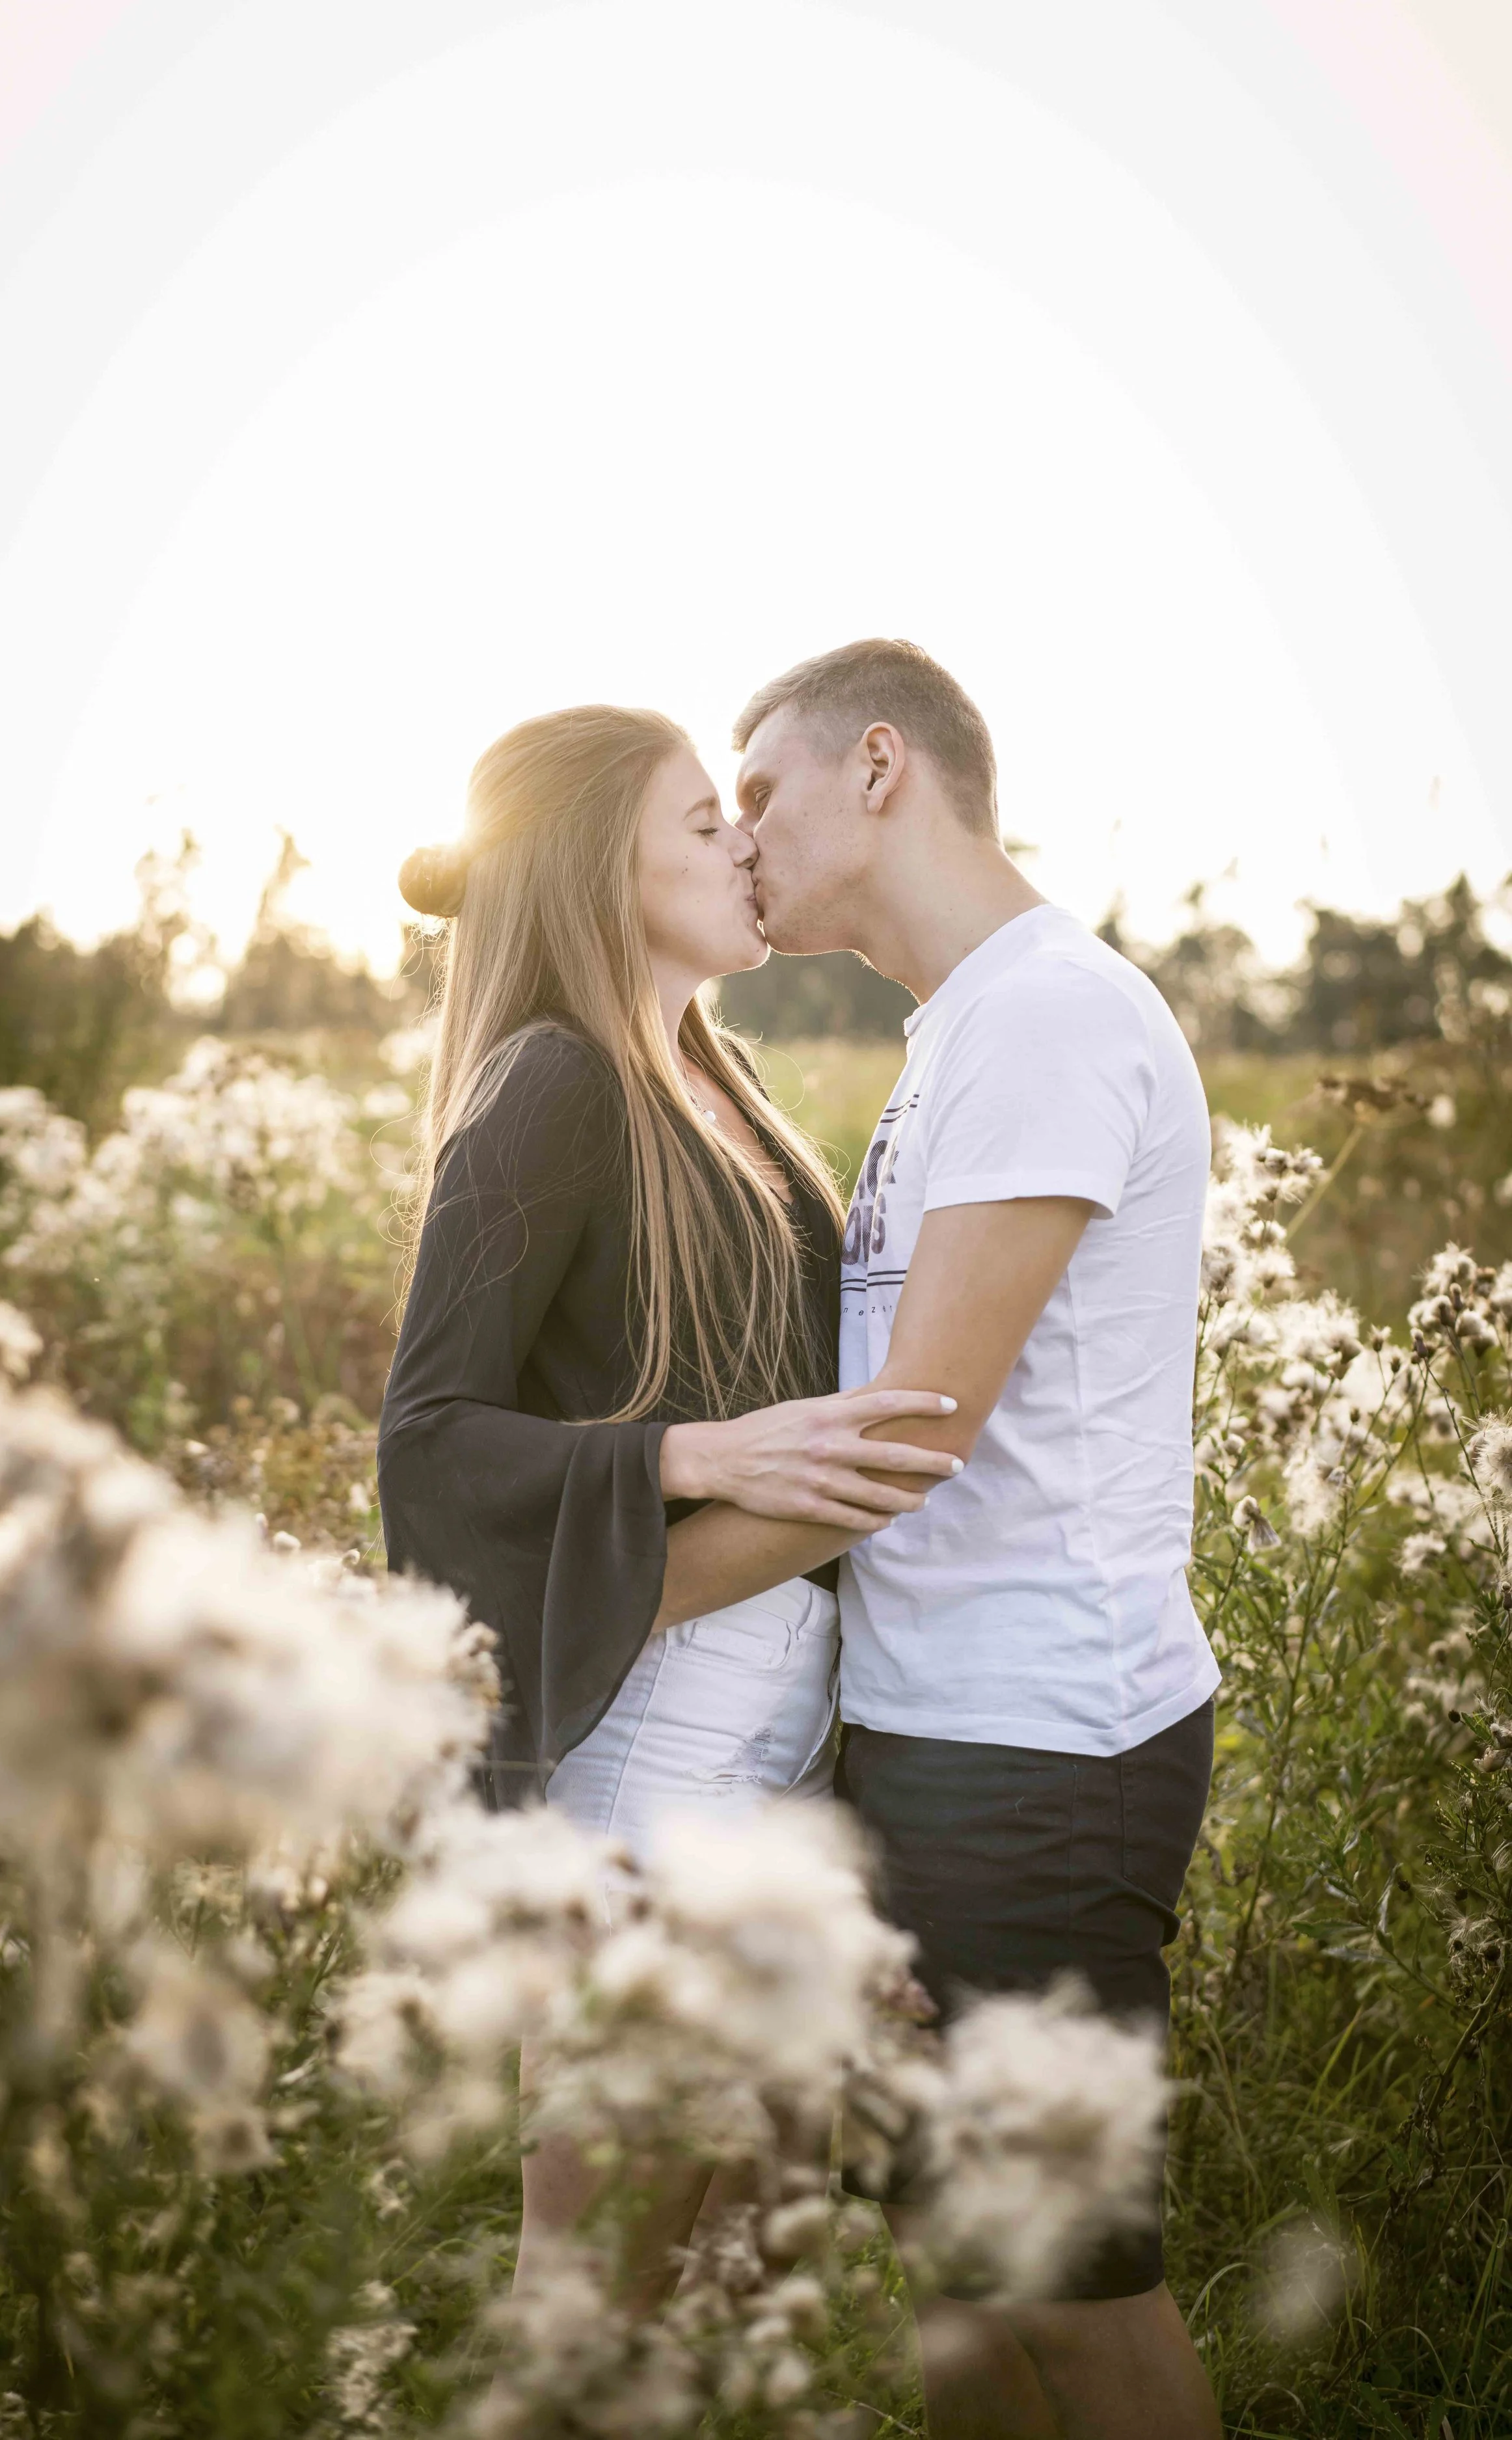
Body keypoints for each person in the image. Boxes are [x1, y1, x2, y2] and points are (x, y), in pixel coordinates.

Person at [651, 641, 1222, 2440]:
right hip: (931, 1729)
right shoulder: (961, 1031)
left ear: (880, 765)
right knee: (962, 2290)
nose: (740, 836)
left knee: (1071, 2294)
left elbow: (912, 1429)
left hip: (1042, 1746)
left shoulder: (1048, 1014)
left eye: (761, 791)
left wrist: (610, 1601)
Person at [376, 703, 959, 2309]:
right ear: (596, 870)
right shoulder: (551, 1083)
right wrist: (679, 1460)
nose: (744, 844)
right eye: (704, 822)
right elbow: (427, 1440)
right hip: (645, 1750)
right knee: (591, 2306)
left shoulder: (717, 1076)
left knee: (729, 2278)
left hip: (780, 1735)